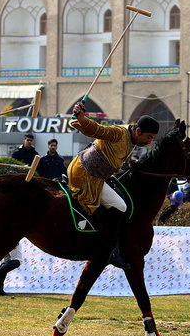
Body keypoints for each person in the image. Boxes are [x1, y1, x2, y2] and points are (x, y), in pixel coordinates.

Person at [67, 103, 159, 269]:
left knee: (121, 203)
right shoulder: (119, 132)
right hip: (85, 175)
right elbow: (97, 130)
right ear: (138, 131)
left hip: (96, 176)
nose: (149, 141)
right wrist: (81, 119)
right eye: (149, 137)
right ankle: (108, 251)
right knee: (120, 206)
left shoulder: (132, 139)